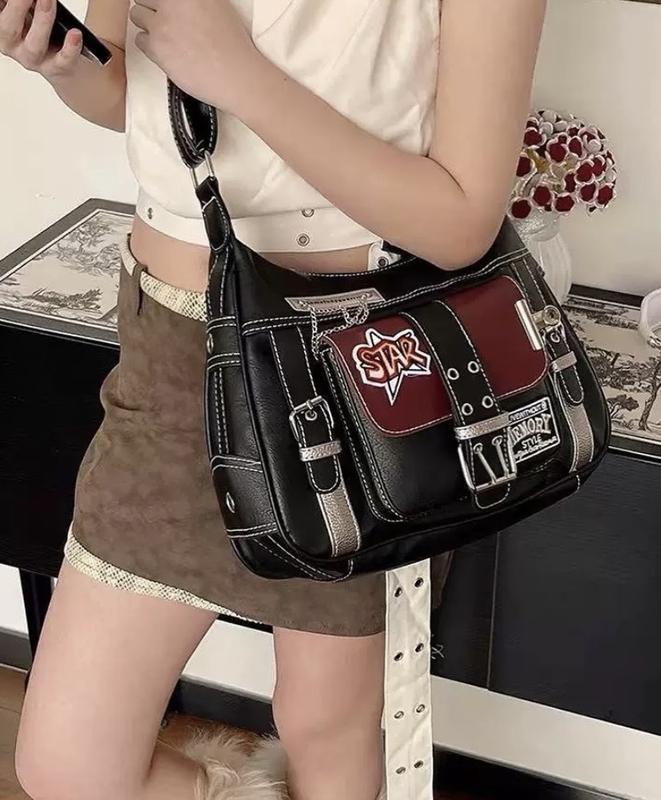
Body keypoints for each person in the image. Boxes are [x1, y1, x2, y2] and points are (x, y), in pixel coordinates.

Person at [3, 1, 546, 798]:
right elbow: (127, 92)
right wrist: (60, 61)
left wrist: (242, 76)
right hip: (168, 357)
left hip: (351, 373)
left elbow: (462, 220)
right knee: (68, 764)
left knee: (325, 729)